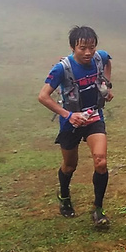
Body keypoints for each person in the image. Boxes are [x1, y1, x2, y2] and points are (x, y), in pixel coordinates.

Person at [38, 25, 114, 226]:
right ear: (73, 47)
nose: (88, 52)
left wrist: (106, 86)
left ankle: (98, 209)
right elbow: (43, 96)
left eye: (92, 47)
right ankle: (64, 196)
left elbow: (108, 61)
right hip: (70, 123)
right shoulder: (62, 68)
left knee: (101, 162)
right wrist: (68, 115)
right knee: (70, 165)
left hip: (94, 117)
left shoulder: (100, 57)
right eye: (82, 48)